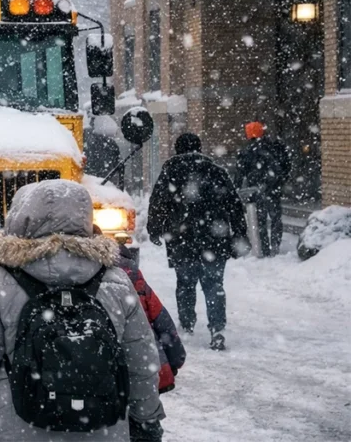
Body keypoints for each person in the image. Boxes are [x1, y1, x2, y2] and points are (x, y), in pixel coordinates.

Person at [0, 180, 165, 442]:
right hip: (100, 427)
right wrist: (147, 421)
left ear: (20, 219)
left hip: (15, 428)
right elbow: (141, 363)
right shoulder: (116, 281)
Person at [147, 133, 247, 351]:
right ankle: (217, 328)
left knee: (185, 283)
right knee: (214, 285)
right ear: (199, 148)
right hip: (215, 238)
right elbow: (235, 205)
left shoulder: (170, 172)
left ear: (177, 149)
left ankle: (187, 324)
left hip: (181, 239)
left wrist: (154, 229)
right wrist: (239, 233)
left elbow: (158, 203)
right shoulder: (217, 171)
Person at [117, 246, 186, 393]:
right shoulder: (137, 282)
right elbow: (163, 322)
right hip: (146, 361)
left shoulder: (90, 279)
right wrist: (176, 359)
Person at [233, 121, 290, 257]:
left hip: (255, 190)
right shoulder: (272, 147)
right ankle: (275, 246)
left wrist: (236, 189)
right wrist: (275, 182)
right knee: (275, 219)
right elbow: (281, 167)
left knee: (260, 221)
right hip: (272, 190)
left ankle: (264, 248)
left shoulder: (246, 151)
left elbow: (239, 173)